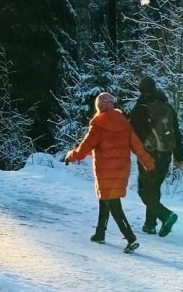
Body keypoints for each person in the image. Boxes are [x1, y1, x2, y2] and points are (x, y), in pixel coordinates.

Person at [65, 92, 155, 254]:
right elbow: (137, 146)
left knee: (113, 204)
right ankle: (100, 233)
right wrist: (149, 164)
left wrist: (70, 156)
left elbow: (84, 148)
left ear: (99, 107)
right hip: (121, 170)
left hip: (105, 171)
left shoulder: (98, 125)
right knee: (105, 199)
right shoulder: (124, 123)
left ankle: (131, 238)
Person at [129, 76, 183, 237]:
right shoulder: (167, 106)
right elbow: (177, 132)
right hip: (166, 154)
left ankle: (166, 215)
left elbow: (135, 134)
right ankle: (150, 225)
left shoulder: (140, 107)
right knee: (154, 188)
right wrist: (179, 156)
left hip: (148, 154)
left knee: (143, 190)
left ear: (140, 89)